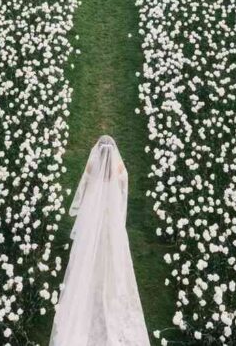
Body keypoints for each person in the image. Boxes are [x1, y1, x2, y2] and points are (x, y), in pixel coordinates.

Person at [49, 136, 149, 346]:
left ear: (98, 151)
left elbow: (84, 185)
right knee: (112, 250)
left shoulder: (93, 163)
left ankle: (92, 276)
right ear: (112, 153)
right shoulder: (118, 166)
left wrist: (85, 204)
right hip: (110, 215)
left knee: (88, 249)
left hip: (93, 216)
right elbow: (124, 183)